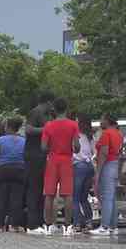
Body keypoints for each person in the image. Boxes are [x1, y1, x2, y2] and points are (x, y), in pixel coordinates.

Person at [40, 98, 80, 237]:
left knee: (49, 194)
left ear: (54, 110)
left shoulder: (48, 126)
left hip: (52, 159)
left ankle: (48, 225)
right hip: (66, 160)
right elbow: (77, 147)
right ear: (66, 109)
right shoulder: (73, 125)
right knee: (67, 194)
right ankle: (67, 226)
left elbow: (43, 147)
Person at [0, 118, 26, 232]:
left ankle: (0, 225)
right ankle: (15, 225)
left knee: (1, 198)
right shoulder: (23, 141)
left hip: (3, 169)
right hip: (19, 169)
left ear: (8, 127)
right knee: (17, 199)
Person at [25, 92, 56, 234]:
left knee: (42, 189)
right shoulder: (35, 112)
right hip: (33, 155)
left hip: (43, 155)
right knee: (34, 189)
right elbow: (29, 129)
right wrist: (47, 130)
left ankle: (41, 221)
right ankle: (32, 224)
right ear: (48, 102)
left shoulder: (48, 114)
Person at [90, 114, 124, 236]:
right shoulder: (119, 134)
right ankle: (113, 226)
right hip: (115, 164)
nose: (100, 122)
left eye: (102, 119)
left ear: (107, 121)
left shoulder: (106, 134)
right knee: (112, 197)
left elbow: (104, 152)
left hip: (108, 165)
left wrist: (98, 171)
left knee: (106, 197)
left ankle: (104, 226)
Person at [73, 114, 96, 234]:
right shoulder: (90, 137)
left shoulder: (75, 136)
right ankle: (89, 221)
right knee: (84, 197)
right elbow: (94, 153)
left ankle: (77, 223)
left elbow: (73, 152)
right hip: (89, 167)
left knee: (75, 197)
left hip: (78, 166)